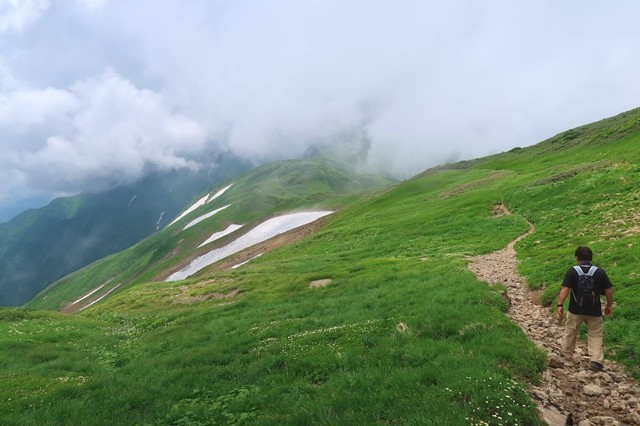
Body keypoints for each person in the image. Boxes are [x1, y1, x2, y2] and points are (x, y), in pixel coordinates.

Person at [557, 246, 613, 371]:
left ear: (577, 257)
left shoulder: (572, 271)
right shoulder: (600, 272)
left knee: (571, 331)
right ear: (591, 258)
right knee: (595, 334)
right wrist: (609, 306)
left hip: (575, 310)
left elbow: (565, 289)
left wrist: (560, 304)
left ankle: (567, 356)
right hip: (594, 311)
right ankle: (596, 360)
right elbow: (608, 292)